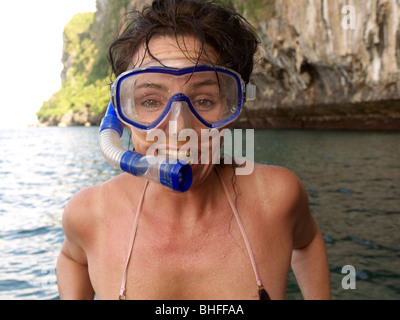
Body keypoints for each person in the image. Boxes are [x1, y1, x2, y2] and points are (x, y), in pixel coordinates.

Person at [56, 0, 331, 300]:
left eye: (204, 100)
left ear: (232, 106)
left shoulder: (277, 199)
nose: (179, 130)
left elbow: (307, 240)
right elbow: (72, 257)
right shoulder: (89, 214)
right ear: (122, 113)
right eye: (150, 101)